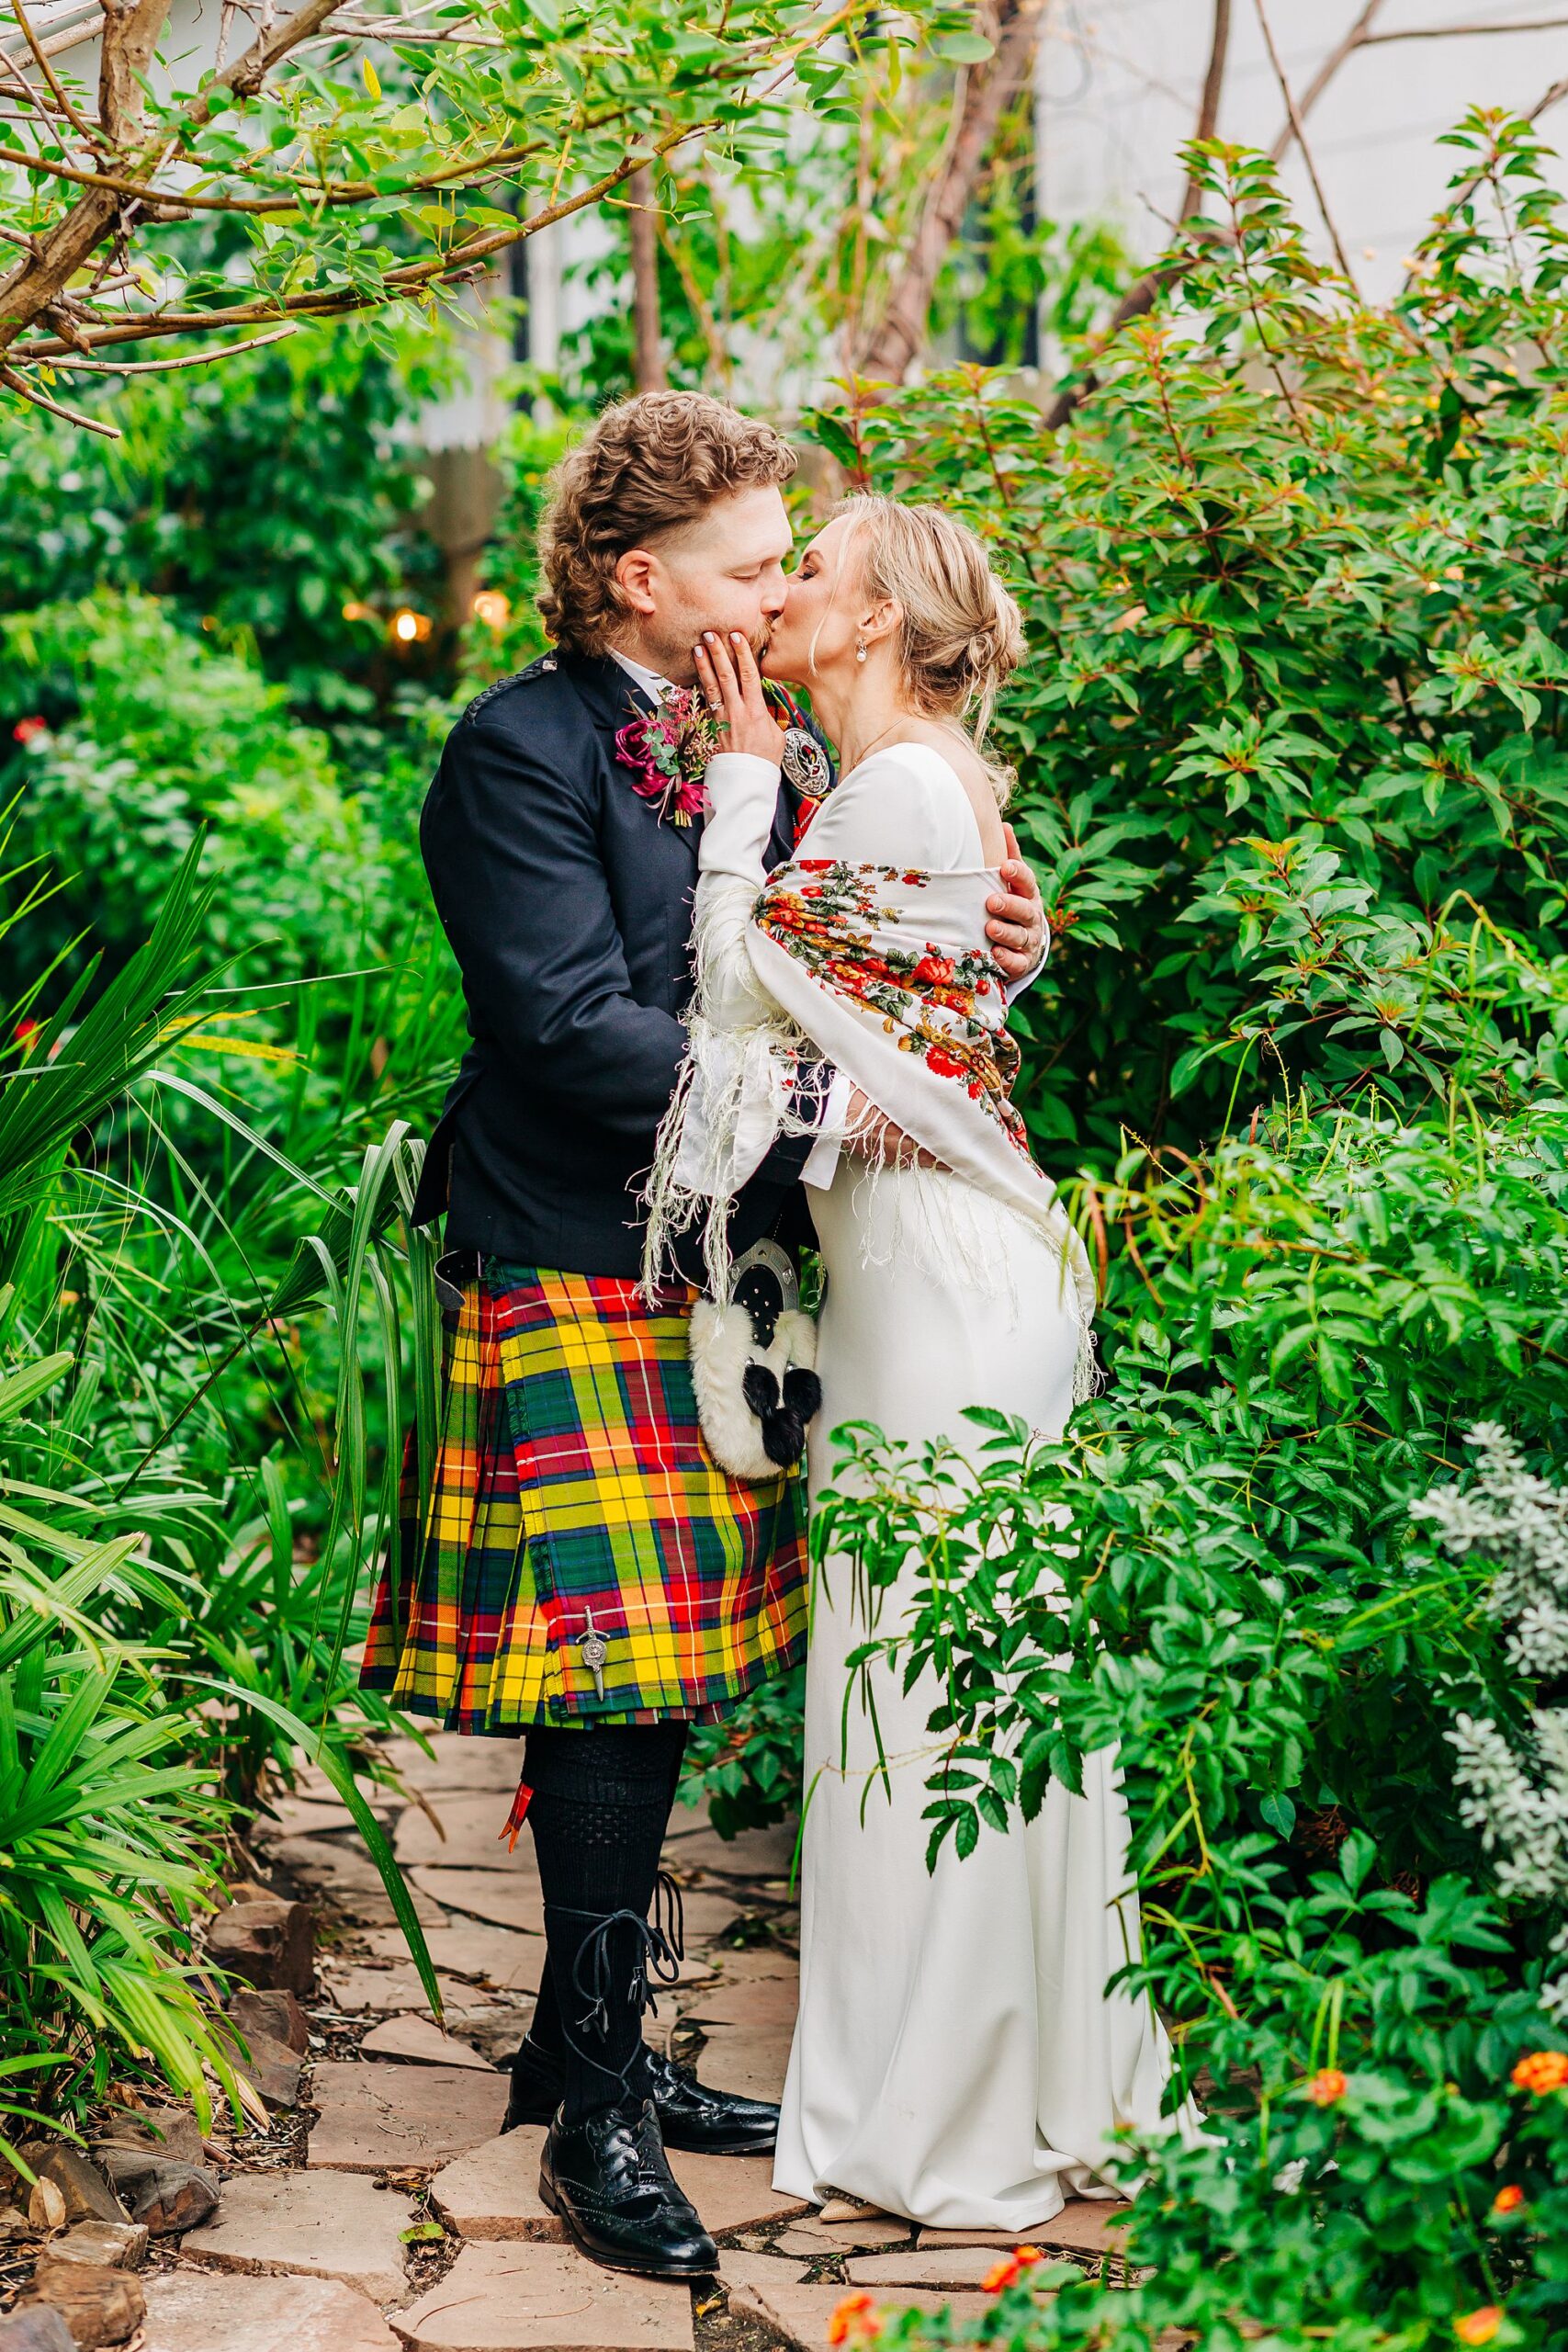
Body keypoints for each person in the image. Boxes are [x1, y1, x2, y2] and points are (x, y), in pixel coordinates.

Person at [359, 396, 1050, 2278]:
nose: (777, 585)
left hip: (722, 1272)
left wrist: (990, 931)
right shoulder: (513, 748)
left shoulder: (744, 748)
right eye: (752, 562)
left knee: (664, 1675)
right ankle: (591, 2105)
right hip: (569, 1249)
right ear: (638, 576)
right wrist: (835, 1117)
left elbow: (836, 957)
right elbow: (564, 1024)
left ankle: (584, 2046)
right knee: (614, 1678)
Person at [646, 494, 1192, 2232]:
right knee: (964, 1672)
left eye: (813, 570)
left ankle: (942, 2106)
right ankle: (1019, 2067)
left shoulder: (883, 783)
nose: (786, 589)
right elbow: (923, 1016)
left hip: (947, 1292)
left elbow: (740, 992)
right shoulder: (922, 781)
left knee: (931, 1684)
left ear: (874, 620)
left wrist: (740, 784)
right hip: (939, 1276)